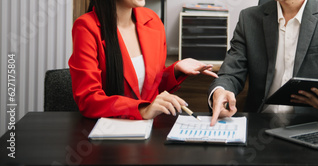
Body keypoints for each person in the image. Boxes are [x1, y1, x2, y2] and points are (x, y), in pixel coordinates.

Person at [208, 0, 318, 126]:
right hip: (259, 126)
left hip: (310, 127)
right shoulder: (248, 19)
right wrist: (220, 90)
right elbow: (230, 73)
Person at [69, 0, 217, 120]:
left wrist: (176, 70)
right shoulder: (86, 27)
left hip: (149, 131)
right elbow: (88, 100)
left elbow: (149, 88)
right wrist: (143, 109)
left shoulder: (152, 21)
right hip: (110, 134)